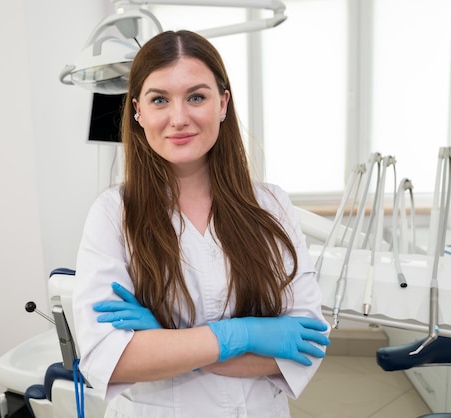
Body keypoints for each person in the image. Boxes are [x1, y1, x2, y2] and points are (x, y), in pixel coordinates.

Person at [72, 30, 330, 417]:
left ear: (222, 103)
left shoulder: (271, 205)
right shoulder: (113, 214)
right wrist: (241, 336)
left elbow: (307, 346)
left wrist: (162, 343)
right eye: (160, 99)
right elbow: (109, 359)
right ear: (138, 110)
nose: (179, 118)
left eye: (196, 97)